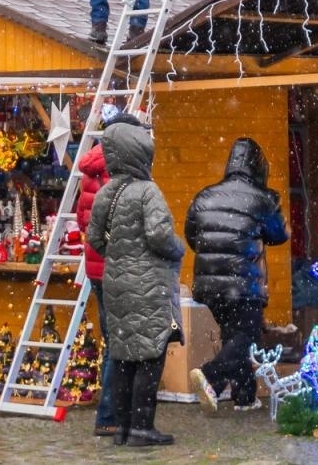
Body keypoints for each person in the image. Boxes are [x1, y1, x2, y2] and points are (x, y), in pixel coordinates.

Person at [85, 117, 184, 447]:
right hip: (148, 282)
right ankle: (143, 428)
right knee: (150, 354)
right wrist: (176, 248)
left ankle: (123, 429)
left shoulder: (105, 194)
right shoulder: (147, 191)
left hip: (115, 282)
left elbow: (95, 238)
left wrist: (120, 254)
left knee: (124, 353)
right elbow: (159, 235)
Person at [184, 137, 289, 412]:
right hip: (243, 284)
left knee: (234, 337)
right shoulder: (264, 199)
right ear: (258, 166)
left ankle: (244, 396)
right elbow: (279, 235)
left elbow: (192, 237)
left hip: (208, 285)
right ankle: (211, 376)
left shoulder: (204, 196)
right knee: (248, 339)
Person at [73, 132, 119, 437]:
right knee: (119, 342)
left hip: (95, 267)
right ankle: (110, 414)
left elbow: (81, 219)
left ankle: (112, 409)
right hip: (117, 267)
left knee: (111, 339)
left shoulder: (90, 172)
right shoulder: (119, 171)